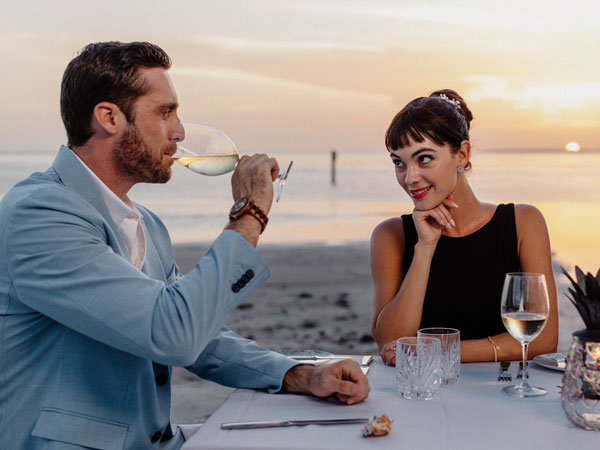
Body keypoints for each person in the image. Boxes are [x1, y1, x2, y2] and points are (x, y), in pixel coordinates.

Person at [0, 41, 369, 450]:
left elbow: (202, 336)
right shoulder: (38, 215)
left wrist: (296, 374)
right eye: (165, 112)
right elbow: (174, 332)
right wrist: (250, 214)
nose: (179, 132)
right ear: (109, 117)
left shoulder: (148, 225)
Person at [370, 89, 558, 365]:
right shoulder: (390, 235)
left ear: (462, 154)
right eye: (399, 162)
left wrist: (437, 352)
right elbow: (391, 344)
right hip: (423, 395)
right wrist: (425, 247)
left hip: (503, 395)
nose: (409, 178)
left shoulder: (523, 223)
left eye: (423, 159)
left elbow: (543, 340)